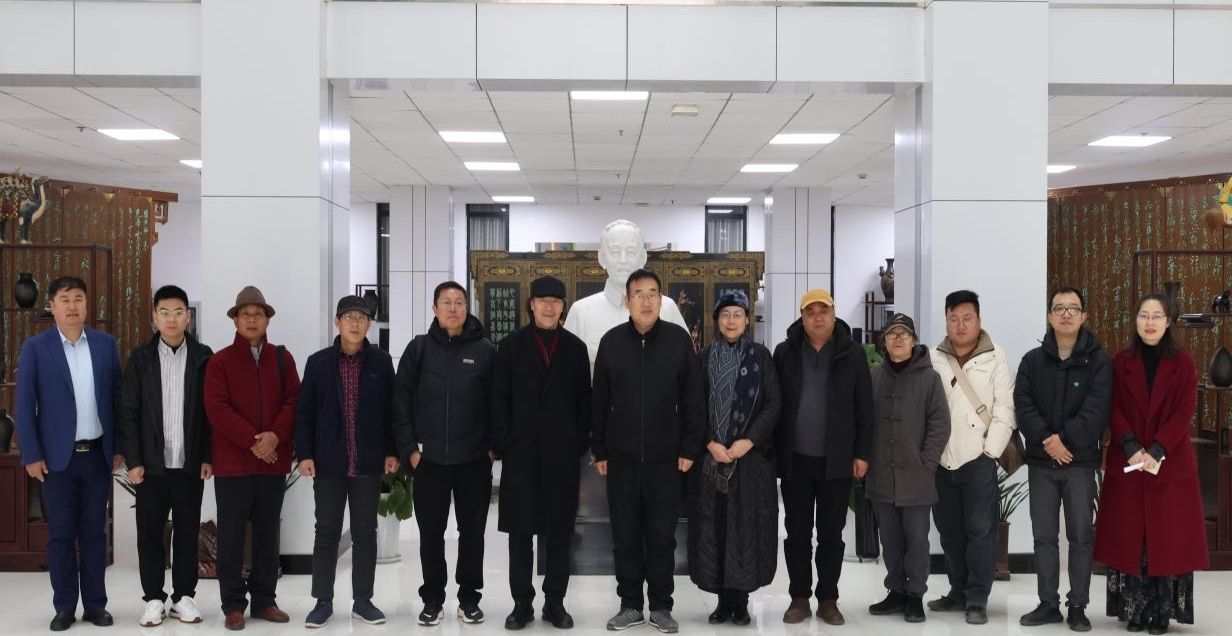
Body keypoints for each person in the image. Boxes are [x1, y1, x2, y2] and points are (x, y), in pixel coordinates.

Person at [591, 269, 705, 634]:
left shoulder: (677, 341)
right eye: (638, 294)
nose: (646, 301)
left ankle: (660, 606)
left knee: (661, 536)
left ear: (661, 300)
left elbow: (693, 398)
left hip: (666, 460)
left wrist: (690, 446)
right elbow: (599, 401)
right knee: (624, 536)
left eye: (652, 293)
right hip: (621, 459)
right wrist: (600, 449)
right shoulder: (611, 342)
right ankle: (629, 605)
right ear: (627, 300)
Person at [14, 275, 123, 632]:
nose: (72, 306)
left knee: (94, 534)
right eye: (65, 299)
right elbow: (24, 404)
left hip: (97, 456)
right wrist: (31, 455)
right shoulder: (36, 348)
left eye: (78, 298)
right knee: (60, 535)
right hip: (55, 460)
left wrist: (119, 447)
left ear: (87, 304)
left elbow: (117, 400)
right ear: (52, 305)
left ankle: (95, 606)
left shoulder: (106, 345)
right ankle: (64, 607)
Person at [1095, 293, 1207, 635]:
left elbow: (1184, 411)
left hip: (1167, 462)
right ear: (1135, 320)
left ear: (1168, 322)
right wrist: (1130, 444)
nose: (1150, 322)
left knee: (1165, 539)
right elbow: (1113, 406)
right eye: (1144, 315)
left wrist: (1157, 448)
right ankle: (1134, 610)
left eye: (1157, 316)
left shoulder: (1183, 363)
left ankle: (1161, 613)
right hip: (1129, 460)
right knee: (1132, 539)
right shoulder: (1121, 361)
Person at [490, 276, 592, 630]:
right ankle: (522, 604)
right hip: (521, 456)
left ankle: (554, 603)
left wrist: (577, 442)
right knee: (520, 535)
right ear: (530, 305)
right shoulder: (510, 346)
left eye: (556, 301)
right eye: (542, 300)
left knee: (559, 535)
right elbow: (498, 398)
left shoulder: (575, 348)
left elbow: (585, 402)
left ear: (563, 307)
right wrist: (506, 440)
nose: (549, 306)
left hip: (562, 458)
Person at [393, 281, 496, 626]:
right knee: (431, 534)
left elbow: (497, 403)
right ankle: (433, 598)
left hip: (473, 462)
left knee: (473, 534)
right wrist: (410, 450)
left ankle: (469, 598)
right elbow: (401, 401)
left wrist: (491, 448)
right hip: (429, 462)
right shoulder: (419, 349)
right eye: (446, 302)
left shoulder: (484, 351)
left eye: (459, 302)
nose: (453, 308)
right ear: (435, 308)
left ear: (467, 308)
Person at [295, 296, 399, 628]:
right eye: (349, 317)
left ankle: (363, 601)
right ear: (336, 322)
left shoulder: (381, 362)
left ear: (369, 324)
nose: (355, 323)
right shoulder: (318, 363)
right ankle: (322, 602)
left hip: (367, 462)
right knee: (326, 532)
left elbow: (392, 411)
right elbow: (305, 413)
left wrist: (392, 451)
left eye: (362, 317)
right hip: (328, 463)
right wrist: (304, 453)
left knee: (365, 533)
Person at [773, 289, 873, 626]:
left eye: (823, 311)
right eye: (810, 312)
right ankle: (799, 598)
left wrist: (862, 453)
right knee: (797, 533)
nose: (817, 317)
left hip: (837, 460)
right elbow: (774, 404)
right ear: (802, 318)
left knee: (831, 534)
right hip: (795, 460)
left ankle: (828, 599)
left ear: (833, 314)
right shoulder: (785, 352)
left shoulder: (853, 354)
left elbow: (864, 408)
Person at [204, 285, 300, 631]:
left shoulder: (282, 359)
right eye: (245, 314)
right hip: (234, 465)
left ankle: (264, 600)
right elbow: (217, 409)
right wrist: (254, 440)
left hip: (272, 463)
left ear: (267, 320)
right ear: (235, 320)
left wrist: (274, 436)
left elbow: (293, 401)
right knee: (231, 536)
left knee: (267, 534)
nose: (251, 319)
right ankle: (233, 604)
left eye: (258, 314)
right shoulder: (220, 362)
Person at [1016, 287, 1112, 632]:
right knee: (1043, 536)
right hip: (1042, 463)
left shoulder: (1099, 362)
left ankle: (1078, 606)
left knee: (1080, 537)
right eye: (1059, 308)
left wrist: (1065, 441)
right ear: (1049, 316)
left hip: (1080, 463)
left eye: (1073, 308)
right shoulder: (1032, 361)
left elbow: (1097, 411)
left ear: (1084, 316)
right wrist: (1047, 440)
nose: (1066, 314)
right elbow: (1023, 405)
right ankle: (1047, 604)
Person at [118, 285, 214, 627]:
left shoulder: (204, 357)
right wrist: (134, 461)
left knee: (187, 533)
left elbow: (211, 412)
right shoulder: (140, 359)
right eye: (164, 312)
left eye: (178, 312)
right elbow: (128, 413)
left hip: (189, 465)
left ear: (188, 317)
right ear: (154, 318)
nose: (171, 319)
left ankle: (184, 597)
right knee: (150, 534)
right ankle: (154, 598)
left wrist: (207, 455)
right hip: (151, 467)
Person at [687, 291, 781, 627]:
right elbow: (693, 405)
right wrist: (709, 442)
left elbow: (773, 404)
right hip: (712, 458)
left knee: (745, 528)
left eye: (737, 315)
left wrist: (748, 441)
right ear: (717, 320)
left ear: (746, 320)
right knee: (714, 527)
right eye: (725, 315)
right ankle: (721, 601)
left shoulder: (761, 357)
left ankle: (741, 602)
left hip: (749, 459)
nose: (731, 321)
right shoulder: (704, 357)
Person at [928, 289, 1017, 625]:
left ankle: (977, 598)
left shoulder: (996, 357)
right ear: (946, 322)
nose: (961, 325)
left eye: (967, 318)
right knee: (949, 530)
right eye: (954, 319)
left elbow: (1005, 409)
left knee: (980, 531)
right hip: (942, 459)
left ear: (979, 320)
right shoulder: (934, 357)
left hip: (979, 457)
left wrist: (989, 451)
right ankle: (957, 592)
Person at [865, 313, 950, 624]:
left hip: (917, 476)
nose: (898, 339)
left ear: (914, 341)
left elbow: (940, 424)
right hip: (881, 475)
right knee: (890, 539)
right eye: (892, 334)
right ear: (884, 342)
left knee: (916, 540)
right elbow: (862, 422)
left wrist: (927, 462)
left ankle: (915, 595)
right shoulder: (873, 377)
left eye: (904, 334)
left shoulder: (930, 379)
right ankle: (896, 591)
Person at [563, 219, 688, 370]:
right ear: (602, 258)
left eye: (630, 252)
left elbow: (687, 366)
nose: (623, 261)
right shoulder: (581, 312)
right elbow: (567, 371)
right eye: (615, 252)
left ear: (642, 258)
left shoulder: (666, 308)